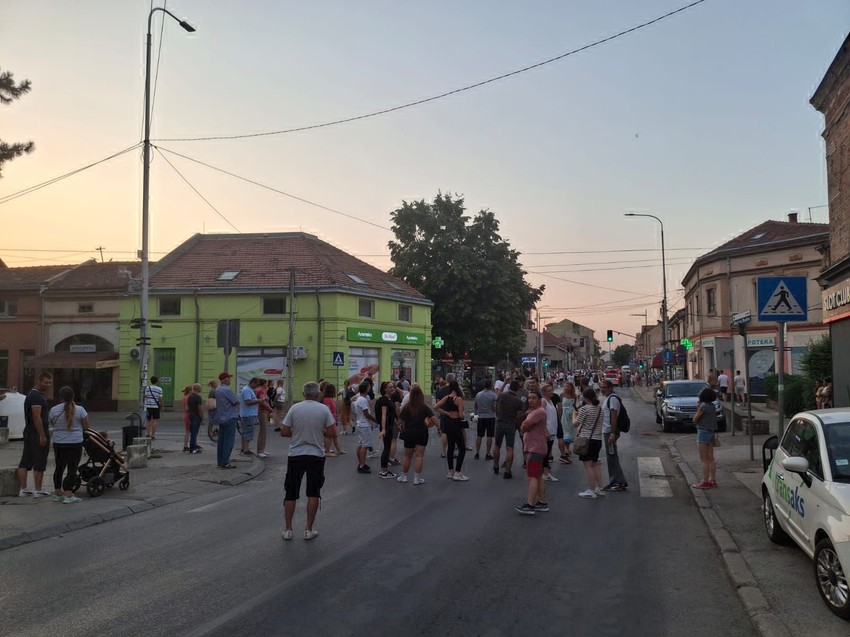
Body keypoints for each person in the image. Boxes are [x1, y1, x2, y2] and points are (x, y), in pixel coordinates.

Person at [280, 381, 336, 541]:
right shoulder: (323, 409)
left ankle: (288, 529)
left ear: (303, 394)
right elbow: (332, 432)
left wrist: (298, 433)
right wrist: (319, 431)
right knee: (313, 492)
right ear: (318, 394)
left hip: (296, 454)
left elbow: (284, 431)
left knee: (290, 493)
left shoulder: (295, 408)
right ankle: (308, 529)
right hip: (316, 455)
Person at [48, 385, 89, 503]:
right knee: (72, 468)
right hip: (75, 442)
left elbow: (52, 424)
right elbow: (86, 426)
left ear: (60, 397)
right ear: (73, 396)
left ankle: (57, 493)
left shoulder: (54, 410)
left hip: (58, 442)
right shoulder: (80, 410)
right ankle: (68, 494)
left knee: (59, 467)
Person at [17, 371, 53, 497]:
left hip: (29, 431)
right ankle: (38, 490)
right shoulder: (36, 396)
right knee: (40, 460)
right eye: (46, 382)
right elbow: (36, 417)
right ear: (39, 381)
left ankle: (24, 488)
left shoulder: (33, 394)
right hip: (36, 432)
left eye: (50, 382)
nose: (48, 385)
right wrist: (42, 435)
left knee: (26, 460)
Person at [516, 390, 550, 515]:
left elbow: (524, 425)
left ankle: (530, 504)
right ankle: (542, 502)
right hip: (535, 448)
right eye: (529, 398)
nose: (530, 400)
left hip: (535, 449)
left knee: (533, 477)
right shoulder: (534, 412)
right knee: (538, 476)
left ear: (539, 399)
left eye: (533, 398)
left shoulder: (538, 412)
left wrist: (524, 427)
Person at [396, 385, 436, 485]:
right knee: (419, 456)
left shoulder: (407, 407)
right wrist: (440, 428)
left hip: (409, 433)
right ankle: (417, 478)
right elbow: (434, 418)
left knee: (407, 456)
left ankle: (404, 476)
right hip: (421, 433)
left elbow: (401, 421)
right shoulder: (424, 407)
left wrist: (403, 430)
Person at [434, 379, 468, 481]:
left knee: (451, 447)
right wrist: (462, 414)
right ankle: (458, 472)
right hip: (456, 423)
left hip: (448, 422)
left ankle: (450, 471)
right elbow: (461, 415)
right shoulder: (458, 399)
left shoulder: (446, 398)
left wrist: (445, 413)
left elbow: (435, 406)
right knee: (462, 448)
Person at [574, 388, 604, 499]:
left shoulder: (584, 409)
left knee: (588, 466)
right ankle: (600, 488)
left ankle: (590, 490)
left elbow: (575, 424)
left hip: (586, 440)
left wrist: (574, 414)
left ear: (586, 398)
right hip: (597, 440)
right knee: (595, 464)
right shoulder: (600, 409)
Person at [599, 380, 628, 492]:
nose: (602, 389)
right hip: (607, 431)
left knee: (612, 457)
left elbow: (614, 417)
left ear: (610, 388)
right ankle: (618, 481)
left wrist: (612, 433)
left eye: (605, 387)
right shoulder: (609, 398)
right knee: (611, 456)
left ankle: (618, 482)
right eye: (601, 387)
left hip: (610, 432)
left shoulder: (613, 399)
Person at [492, 380, 524, 479]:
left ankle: (496, 465)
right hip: (510, 424)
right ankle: (507, 471)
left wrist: (499, 416)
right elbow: (518, 416)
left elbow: (495, 407)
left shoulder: (501, 396)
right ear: (517, 389)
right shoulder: (518, 401)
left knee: (497, 445)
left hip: (499, 422)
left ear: (509, 387)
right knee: (509, 448)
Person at [692, 387, 718, 489]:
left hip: (703, 432)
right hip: (711, 432)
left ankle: (705, 481)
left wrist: (698, 408)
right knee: (711, 458)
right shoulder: (712, 406)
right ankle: (712, 480)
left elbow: (695, 419)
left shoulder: (703, 406)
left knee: (704, 459)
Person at [214, 372, 239, 468]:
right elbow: (236, 401)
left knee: (221, 441)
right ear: (226, 379)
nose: (230, 380)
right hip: (230, 417)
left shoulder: (218, 389)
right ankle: (225, 462)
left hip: (221, 417)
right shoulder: (227, 390)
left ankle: (220, 461)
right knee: (229, 441)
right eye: (229, 378)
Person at [374, 381, 399, 478]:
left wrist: (397, 424)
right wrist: (383, 429)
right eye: (390, 387)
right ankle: (384, 471)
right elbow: (384, 415)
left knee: (387, 448)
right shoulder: (384, 400)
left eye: (392, 387)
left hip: (389, 426)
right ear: (385, 389)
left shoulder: (389, 399)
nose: (392, 388)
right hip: (387, 427)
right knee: (386, 448)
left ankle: (384, 470)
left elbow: (391, 414)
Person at [353, 381, 376, 473]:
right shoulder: (362, 400)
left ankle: (361, 463)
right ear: (366, 389)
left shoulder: (360, 399)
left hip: (361, 423)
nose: (370, 388)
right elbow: (366, 414)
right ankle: (362, 465)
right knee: (365, 445)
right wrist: (375, 420)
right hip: (364, 424)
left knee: (361, 444)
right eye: (369, 387)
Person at [473, 379, 497, 460]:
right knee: (490, 436)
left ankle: (477, 453)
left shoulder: (478, 394)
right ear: (491, 386)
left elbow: (475, 406)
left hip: (481, 416)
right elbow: (495, 407)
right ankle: (488, 453)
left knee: (479, 435)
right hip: (490, 417)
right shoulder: (493, 395)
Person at [540, 384, 559, 482]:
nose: (551, 392)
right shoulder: (543, 401)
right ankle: (545, 473)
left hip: (552, 429)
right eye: (549, 391)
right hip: (547, 430)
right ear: (544, 392)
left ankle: (545, 472)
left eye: (551, 390)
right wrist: (545, 430)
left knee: (548, 451)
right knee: (546, 453)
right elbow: (542, 415)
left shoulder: (550, 401)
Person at [321, 383, 344, 456]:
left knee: (334, 435)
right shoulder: (327, 400)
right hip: (329, 421)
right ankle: (327, 451)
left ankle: (337, 449)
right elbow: (327, 410)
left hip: (332, 420)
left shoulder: (330, 399)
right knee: (329, 435)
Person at [239, 377, 260, 456]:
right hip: (248, 414)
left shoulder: (249, 389)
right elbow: (248, 402)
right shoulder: (247, 390)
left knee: (246, 432)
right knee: (248, 432)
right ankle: (246, 449)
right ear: (253, 382)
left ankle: (243, 448)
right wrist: (258, 400)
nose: (257, 387)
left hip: (249, 414)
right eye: (257, 385)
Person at [559, 382, 578, 464]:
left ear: (571, 387)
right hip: (564, 415)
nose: (566, 387)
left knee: (570, 431)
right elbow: (559, 406)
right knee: (565, 431)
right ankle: (566, 449)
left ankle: (567, 447)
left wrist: (577, 411)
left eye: (568, 386)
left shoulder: (574, 396)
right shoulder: (561, 395)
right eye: (565, 385)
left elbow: (574, 405)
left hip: (571, 415)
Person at [255, 378, 273, 458]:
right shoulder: (260, 391)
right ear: (263, 383)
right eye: (266, 383)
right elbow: (263, 402)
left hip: (265, 412)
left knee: (264, 431)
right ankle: (259, 451)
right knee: (263, 431)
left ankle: (262, 449)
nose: (267, 384)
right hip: (262, 412)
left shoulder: (264, 390)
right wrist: (270, 409)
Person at [186, 383, 204, 454]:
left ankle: (193, 447)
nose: (201, 389)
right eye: (200, 387)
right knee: (194, 433)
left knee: (192, 432)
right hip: (196, 416)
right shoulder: (198, 397)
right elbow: (200, 408)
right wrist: (202, 417)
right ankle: (193, 448)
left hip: (191, 415)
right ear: (197, 388)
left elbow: (188, 407)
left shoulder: (190, 396)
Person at [181, 385, 192, 452]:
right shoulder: (188, 398)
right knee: (188, 431)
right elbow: (187, 408)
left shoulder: (184, 397)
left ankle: (186, 445)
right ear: (190, 391)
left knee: (187, 431)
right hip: (188, 415)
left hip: (185, 414)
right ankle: (186, 446)